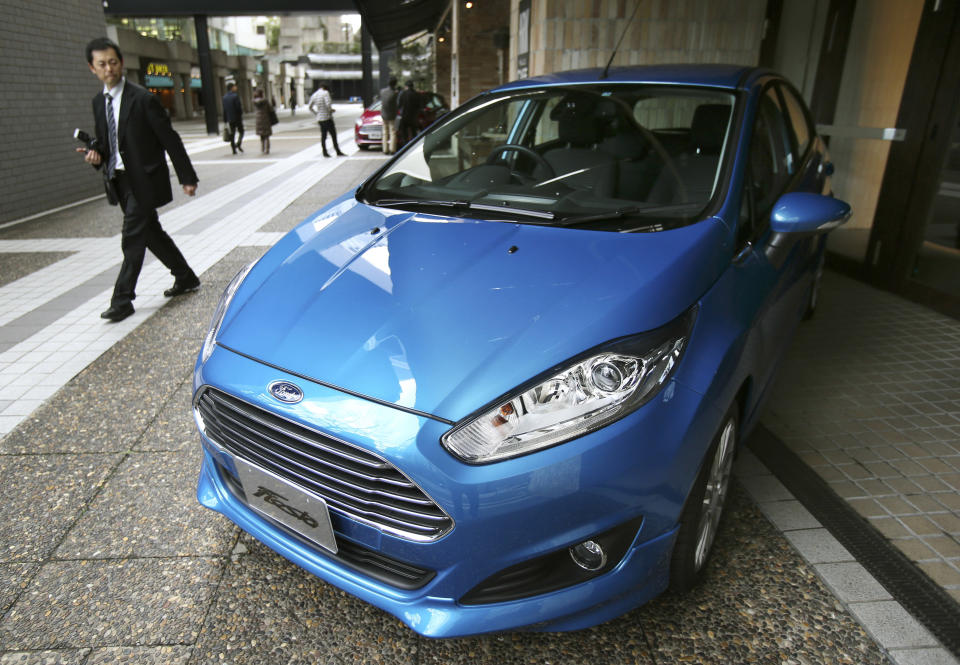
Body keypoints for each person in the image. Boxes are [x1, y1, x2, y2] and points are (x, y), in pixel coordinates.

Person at [77, 37, 200, 322]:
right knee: (151, 234)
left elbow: (170, 139)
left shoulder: (142, 98)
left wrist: (187, 177)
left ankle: (122, 299)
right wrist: (96, 155)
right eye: (102, 64)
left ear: (121, 63)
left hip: (144, 180)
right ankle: (185, 277)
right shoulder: (99, 102)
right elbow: (107, 143)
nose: (109, 68)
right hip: (119, 181)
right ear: (91, 68)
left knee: (132, 237)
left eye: (113, 62)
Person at [307, 83, 345, 157]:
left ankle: (325, 152)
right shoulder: (325, 93)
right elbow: (328, 104)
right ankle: (337, 151)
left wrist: (316, 113)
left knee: (323, 136)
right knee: (333, 135)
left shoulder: (314, 94)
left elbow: (310, 107)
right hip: (327, 118)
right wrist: (331, 110)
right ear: (326, 88)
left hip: (320, 119)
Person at [396, 80, 421, 149]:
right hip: (413, 117)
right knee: (413, 133)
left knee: (404, 133)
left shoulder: (403, 94)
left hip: (404, 116)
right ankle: (414, 146)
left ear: (406, 86)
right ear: (412, 86)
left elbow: (398, 105)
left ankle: (405, 147)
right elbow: (419, 106)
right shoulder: (416, 94)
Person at [222, 82, 244, 154]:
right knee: (241, 131)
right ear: (231, 88)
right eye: (235, 86)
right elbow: (238, 108)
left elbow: (224, 110)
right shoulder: (235, 96)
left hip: (230, 119)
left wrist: (225, 120)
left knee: (232, 133)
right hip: (237, 118)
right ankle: (238, 144)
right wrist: (240, 115)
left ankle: (233, 149)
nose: (236, 88)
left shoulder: (224, 97)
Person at [379, 77, 398, 154]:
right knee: (392, 132)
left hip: (383, 114)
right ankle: (392, 149)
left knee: (384, 132)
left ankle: (385, 149)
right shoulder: (395, 93)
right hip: (392, 115)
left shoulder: (382, 91)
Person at [253, 89, 274, 154]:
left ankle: (262, 148)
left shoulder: (254, 102)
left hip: (258, 120)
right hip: (265, 119)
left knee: (261, 135)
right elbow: (270, 109)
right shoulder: (265, 101)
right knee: (266, 135)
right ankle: (267, 149)